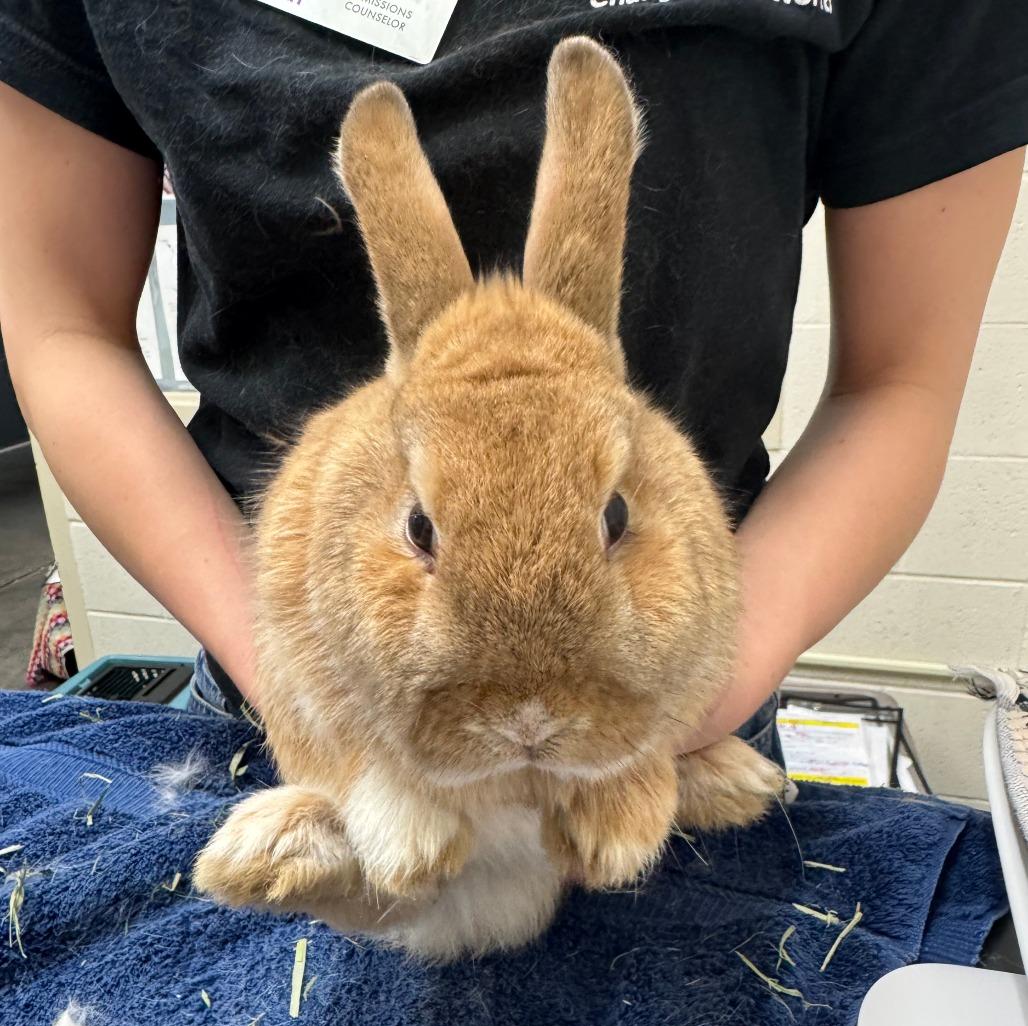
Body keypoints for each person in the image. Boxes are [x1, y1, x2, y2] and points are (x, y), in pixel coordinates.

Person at [0, 3, 1025, 760]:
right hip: (317, 682)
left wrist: (693, 687)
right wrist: (300, 679)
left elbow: (897, 383)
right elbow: (62, 325)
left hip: (656, 690)